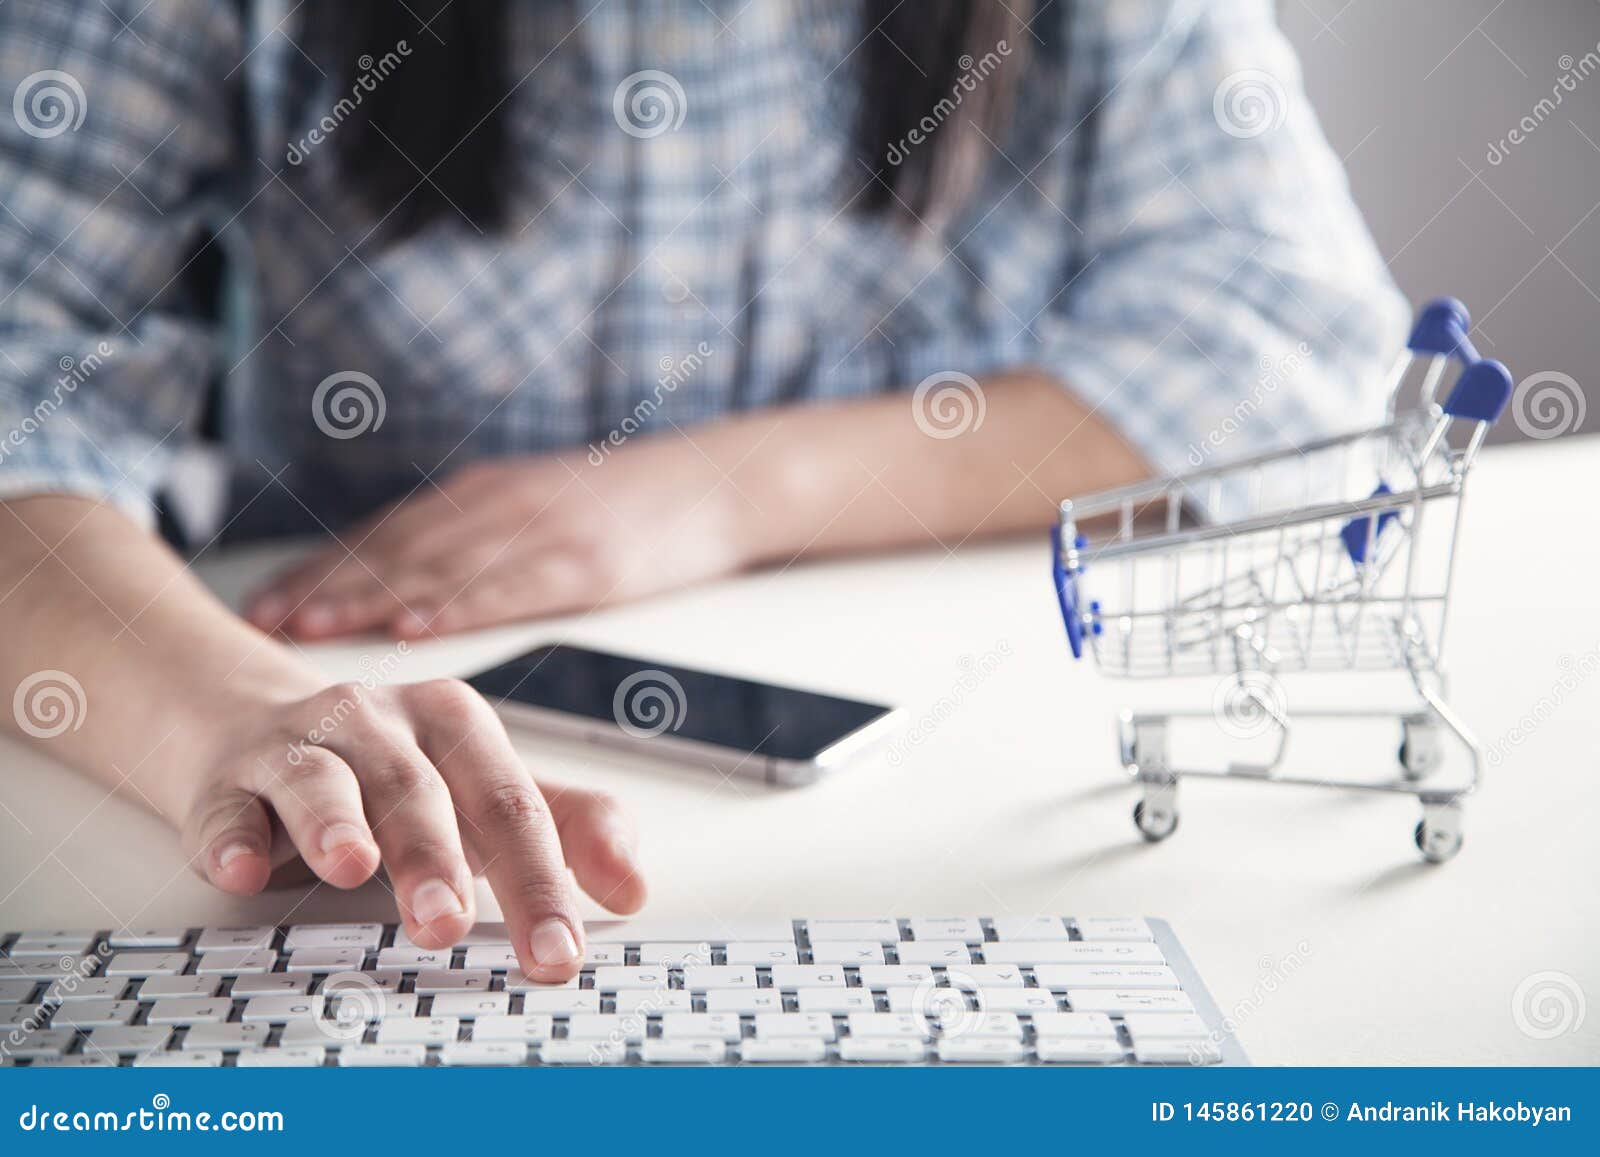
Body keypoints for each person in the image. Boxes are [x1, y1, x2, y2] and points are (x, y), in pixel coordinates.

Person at [0, 0, 1405, 981]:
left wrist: (724, 492)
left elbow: (1294, 344)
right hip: (340, 687)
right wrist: (237, 716)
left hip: (944, 762)